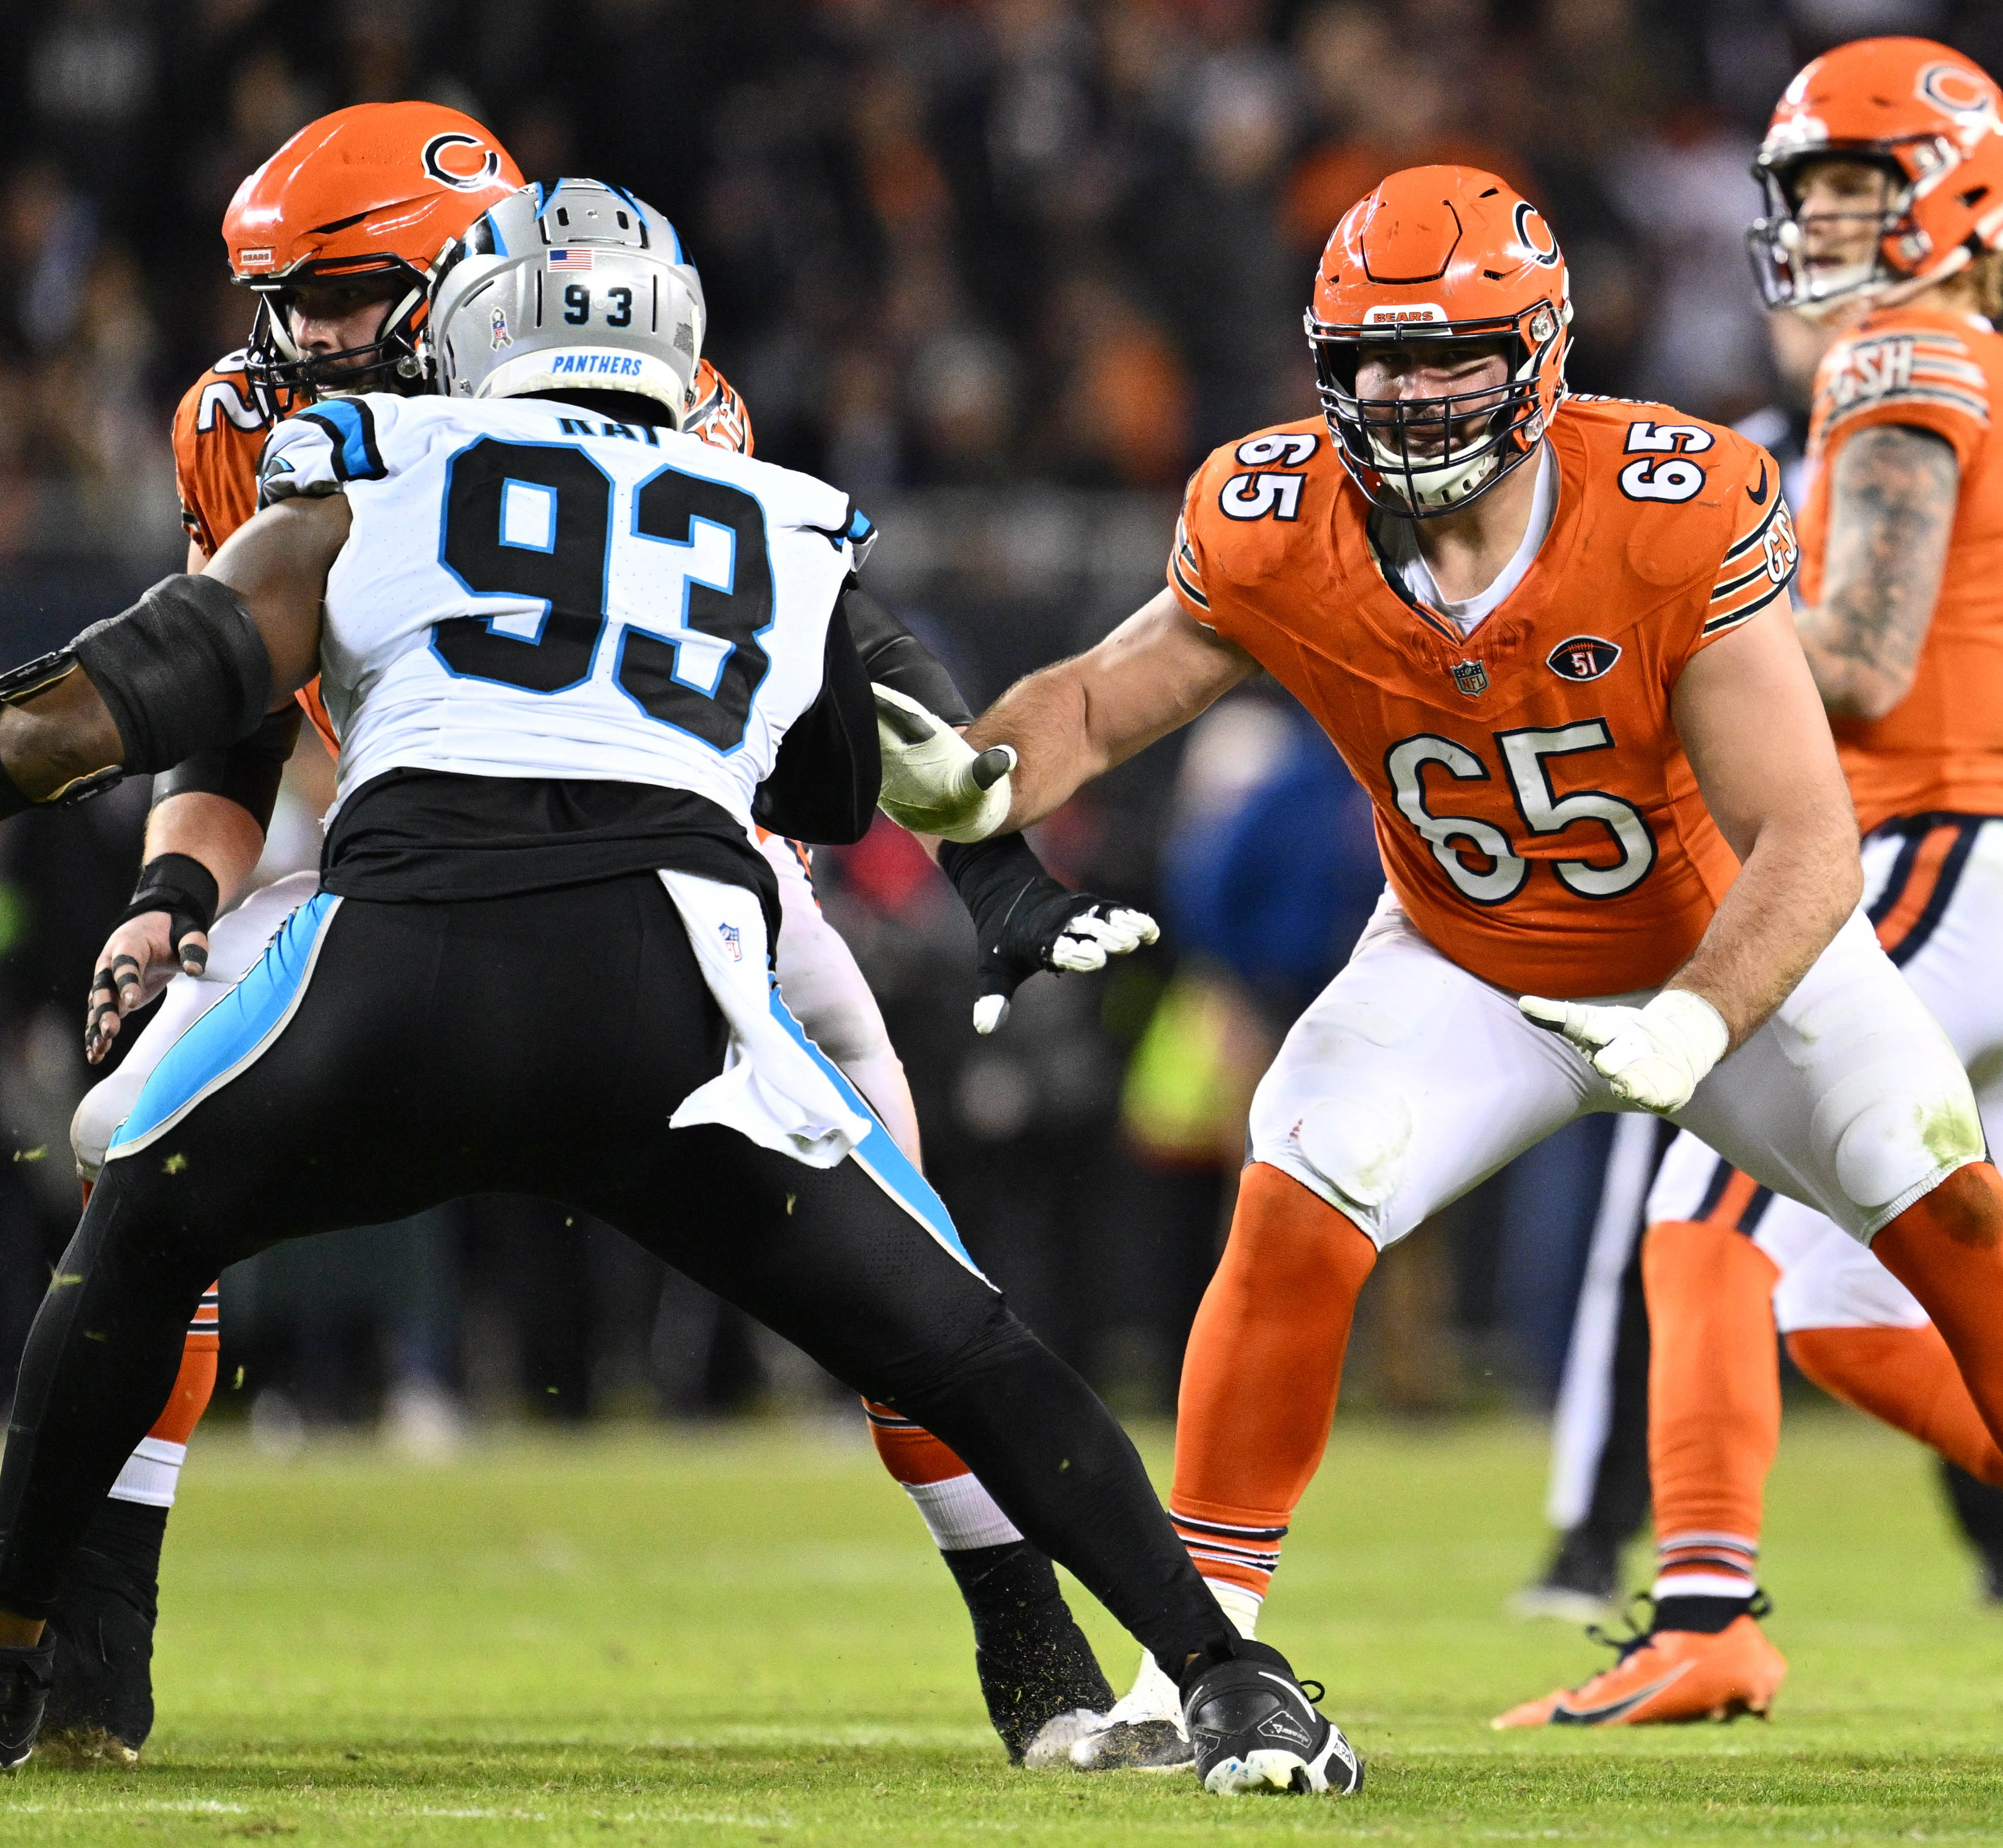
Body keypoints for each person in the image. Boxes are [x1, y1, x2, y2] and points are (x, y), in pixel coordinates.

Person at [915, 165, 2003, 1770]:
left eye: (1451, 357)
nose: (1407, 392)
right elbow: (1095, 700)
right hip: (1461, 955)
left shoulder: (1670, 501)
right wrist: (979, 774)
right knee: (1292, 1200)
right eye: (1372, 359)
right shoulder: (1274, 509)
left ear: (1542, 354)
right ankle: (1191, 1664)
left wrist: (1698, 1017)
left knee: (1956, 1213)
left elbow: (1806, 838)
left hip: (1721, 951)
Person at [0, 177, 1360, 1799]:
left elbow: (123, 703)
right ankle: (1232, 1678)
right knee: (963, 1337)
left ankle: (18, 1647)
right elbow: (862, 786)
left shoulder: (368, 462)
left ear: (462, 328)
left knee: (136, 1205)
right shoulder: (781, 514)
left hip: (401, 967)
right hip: (677, 1005)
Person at [1499, 37, 2003, 1734]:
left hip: (1937, 850)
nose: (1830, 224)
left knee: (1702, 1220)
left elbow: (1856, 660)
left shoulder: (1899, 356)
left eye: (1863, 186)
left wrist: (1644, 641)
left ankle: (1705, 1611)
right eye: (1812, 194)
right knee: (1870, 1315)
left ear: (1968, 198)